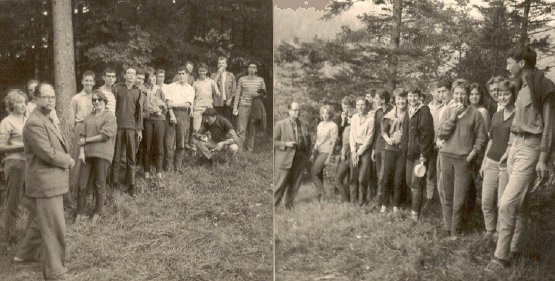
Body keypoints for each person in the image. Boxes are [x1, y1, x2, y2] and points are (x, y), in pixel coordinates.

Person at [486, 46, 555, 272]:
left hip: (531, 148)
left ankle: (500, 258)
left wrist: (543, 158)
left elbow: (549, 127)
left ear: (522, 63)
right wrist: (509, 148)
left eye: (509, 63)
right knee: (519, 204)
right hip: (515, 146)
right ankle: (515, 248)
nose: (507, 67)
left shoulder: (543, 87)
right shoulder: (522, 86)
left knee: (506, 204)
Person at [14, 83, 75, 280]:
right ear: (36, 99)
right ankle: (55, 270)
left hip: (51, 181)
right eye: (46, 97)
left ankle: (25, 254)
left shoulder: (46, 118)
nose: (51, 100)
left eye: (53, 96)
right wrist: (68, 160)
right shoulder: (34, 123)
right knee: (54, 226)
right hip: (45, 182)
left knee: (42, 222)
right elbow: (47, 153)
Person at [437, 79, 486, 239]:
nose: (459, 97)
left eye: (462, 94)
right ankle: (448, 227)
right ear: (452, 94)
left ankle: (456, 231)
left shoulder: (475, 114)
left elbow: (481, 139)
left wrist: (471, 155)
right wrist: (453, 116)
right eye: (456, 93)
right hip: (446, 157)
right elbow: (441, 134)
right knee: (447, 194)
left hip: (463, 160)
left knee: (460, 198)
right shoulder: (447, 111)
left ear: (467, 96)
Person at [479, 79, 516, 243]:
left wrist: (507, 158)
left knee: (502, 203)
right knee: (486, 200)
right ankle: (490, 231)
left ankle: (501, 235)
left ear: (513, 95)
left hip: (506, 164)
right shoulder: (496, 115)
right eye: (500, 94)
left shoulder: (518, 115)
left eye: (506, 94)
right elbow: (491, 140)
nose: (502, 97)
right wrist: (484, 162)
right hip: (491, 162)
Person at [75, 91, 117, 225]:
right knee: (81, 184)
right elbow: (82, 135)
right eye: (94, 100)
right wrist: (81, 152)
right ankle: (80, 213)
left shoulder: (110, 116)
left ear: (104, 101)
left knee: (99, 183)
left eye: (99, 100)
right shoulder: (88, 117)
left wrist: (86, 140)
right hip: (87, 154)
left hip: (103, 153)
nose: (97, 102)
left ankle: (97, 213)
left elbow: (105, 135)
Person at [0, 90, 28, 248]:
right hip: (15, 163)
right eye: (18, 102)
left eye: (24, 101)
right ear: (11, 104)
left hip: (30, 163)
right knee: (13, 200)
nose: (23, 104)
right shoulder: (7, 122)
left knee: (31, 199)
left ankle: (28, 235)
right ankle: (9, 237)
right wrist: (21, 146)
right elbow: (1, 146)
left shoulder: (27, 119)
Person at [111, 67, 144, 197]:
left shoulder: (137, 91)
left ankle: (131, 185)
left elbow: (139, 113)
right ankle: (114, 184)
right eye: (129, 73)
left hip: (131, 128)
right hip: (118, 127)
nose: (131, 76)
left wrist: (139, 130)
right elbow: (112, 108)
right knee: (117, 156)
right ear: (124, 75)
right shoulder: (117, 88)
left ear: (135, 77)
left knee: (131, 158)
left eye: (133, 74)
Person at [274, 102, 311, 209]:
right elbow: (274, 142)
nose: (297, 112)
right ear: (289, 111)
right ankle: (274, 206)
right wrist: (285, 144)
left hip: (300, 159)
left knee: (295, 184)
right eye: (295, 110)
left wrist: (306, 158)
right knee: (280, 185)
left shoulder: (303, 125)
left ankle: (289, 205)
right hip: (285, 159)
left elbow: (309, 143)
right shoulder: (280, 124)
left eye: (299, 110)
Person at [405, 88, 434, 221]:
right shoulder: (408, 110)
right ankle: (415, 206)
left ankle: (415, 213)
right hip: (409, 154)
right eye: (410, 96)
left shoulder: (424, 110)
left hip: (420, 154)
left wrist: (424, 154)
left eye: (415, 96)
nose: (412, 99)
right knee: (408, 181)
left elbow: (427, 134)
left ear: (419, 97)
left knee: (415, 183)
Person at [69, 71, 96, 212]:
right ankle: (74, 191)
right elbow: (72, 119)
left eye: (91, 81)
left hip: (93, 130)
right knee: (78, 158)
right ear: (82, 82)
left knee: (91, 159)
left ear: (94, 82)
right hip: (80, 127)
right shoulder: (76, 98)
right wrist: (77, 133)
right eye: (86, 81)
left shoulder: (96, 97)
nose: (89, 83)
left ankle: (89, 192)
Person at [378, 88, 408, 213]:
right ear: (395, 100)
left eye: (403, 98)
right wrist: (388, 139)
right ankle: (384, 204)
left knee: (399, 177)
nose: (401, 101)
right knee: (387, 176)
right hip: (390, 148)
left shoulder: (409, 114)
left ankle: (396, 204)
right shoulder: (390, 115)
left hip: (402, 150)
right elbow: (384, 131)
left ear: (406, 99)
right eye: (398, 99)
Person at [164, 65, 195, 172]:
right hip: (171, 114)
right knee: (169, 142)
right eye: (179, 74)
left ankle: (178, 166)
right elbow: (168, 102)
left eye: (183, 74)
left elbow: (187, 105)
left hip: (183, 116)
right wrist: (172, 114)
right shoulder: (171, 86)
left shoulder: (190, 89)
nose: (181, 76)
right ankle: (168, 167)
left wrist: (174, 104)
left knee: (181, 143)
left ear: (187, 75)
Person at [233, 62, 267, 152]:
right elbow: (237, 94)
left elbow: (264, 94)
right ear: (247, 69)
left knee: (252, 130)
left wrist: (258, 94)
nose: (252, 69)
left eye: (254, 67)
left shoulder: (260, 80)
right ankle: (239, 150)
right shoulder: (242, 79)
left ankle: (249, 150)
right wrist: (235, 108)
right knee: (241, 129)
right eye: (250, 67)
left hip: (255, 107)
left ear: (256, 70)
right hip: (243, 106)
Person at [426, 81, 449, 210]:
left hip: (442, 144)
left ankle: (443, 200)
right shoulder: (427, 107)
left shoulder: (447, 107)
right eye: (438, 91)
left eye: (443, 91)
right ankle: (429, 197)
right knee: (430, 171)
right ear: (432, 92)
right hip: (430, 144)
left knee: (442, 172)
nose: (440, 94)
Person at [142, 68, 167, 181]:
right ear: (146, 79)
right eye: (150, 77)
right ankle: (146, 171)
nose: (152, 79)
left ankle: (159, 172)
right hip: (148, 120)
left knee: (159, 145)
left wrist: (161, 109)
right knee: (147, 145)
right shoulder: (142, 90)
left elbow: (165, 105)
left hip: (159, 120)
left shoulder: (159, 90)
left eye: (154, 77)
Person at [349, 97, 375, 205]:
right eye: (358, 105)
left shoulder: (371, 120)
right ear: (356, 106)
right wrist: (353, 151)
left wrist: (359, 153)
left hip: (365, 150)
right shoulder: (354, 117)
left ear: (367, 106)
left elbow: (369, 139)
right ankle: (353, 200)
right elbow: (351, 135)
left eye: (363, 105)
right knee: (353, 176)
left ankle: (361, 202)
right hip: (354, 149)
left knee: (362, 178)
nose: (360, 107)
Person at [310, 105, 338, 202]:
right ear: (321, 114)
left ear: (330, 114)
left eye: (327, 113)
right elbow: (318, 140)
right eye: (323, 113)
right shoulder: (320, 124)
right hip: (318, 151)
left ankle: (325, 197)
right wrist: (313, 152)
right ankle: (320, 197)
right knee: (319, 174)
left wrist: (329, 157)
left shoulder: (333, 126)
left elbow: (333, 143)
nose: (325, 115)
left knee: (313, 173)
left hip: (326, 152)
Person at [369, 89, 389, 201]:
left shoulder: (392, 111)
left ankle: (380, 199)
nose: (375, 100)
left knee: (383, 175)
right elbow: (376, 132)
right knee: (378, 174)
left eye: (377, 98)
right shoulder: (378, 112)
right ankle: (381, 198)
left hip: (388, 148)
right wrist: (373, 149)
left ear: (383, 100)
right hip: (378, 147)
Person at [192, 63, 220, 142]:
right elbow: (192, 97)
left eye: (204, 71)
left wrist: (216, 89)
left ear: (207, 71)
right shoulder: (195, 83)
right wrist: (192, 109)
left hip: (208, 109)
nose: (202, 73)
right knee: (196, 128)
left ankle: (208, 148)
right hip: (198, 108)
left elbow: (218, 95)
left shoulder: (211, 82)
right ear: (198, 72)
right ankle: (195, 149)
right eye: (200, 71)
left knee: (208, 130)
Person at [335, 99, 355, 202]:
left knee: (349, 177)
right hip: (343, 149)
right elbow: (339, 134)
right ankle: (345, 198)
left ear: (351, 107)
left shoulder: (355, 116)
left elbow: (348, 138)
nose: (346, 109)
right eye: (344, 107)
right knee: (341, 176)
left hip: (350, 150)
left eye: (347, 107)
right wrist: (342, 121)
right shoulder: (341, 117)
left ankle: (348, 200)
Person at [211, 57, 237, 121]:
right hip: (217, 101)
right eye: (219, 63)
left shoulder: (231, 75)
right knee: (217, 120)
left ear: (226, 65)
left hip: (228, 101)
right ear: (217, 65)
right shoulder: (214, 75)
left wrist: (230, 99)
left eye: (223, 63)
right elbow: (212, 85)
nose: (221, 64)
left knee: (227, 120)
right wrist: (219, 73)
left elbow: (234, 89)